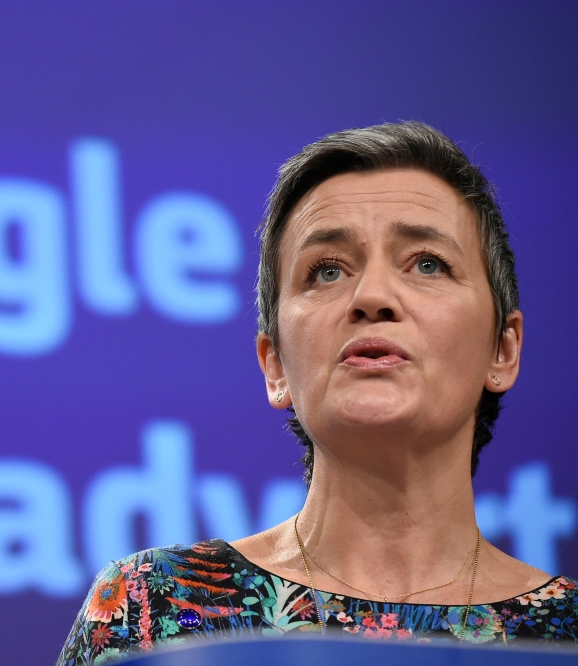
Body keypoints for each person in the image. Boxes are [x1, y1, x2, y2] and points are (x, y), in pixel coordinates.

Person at [56, 122, 578, 665]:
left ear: (503, 349)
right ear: (275, 363)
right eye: (327, 271)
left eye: (427, 263)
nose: (373, 296)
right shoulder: (151, 608)